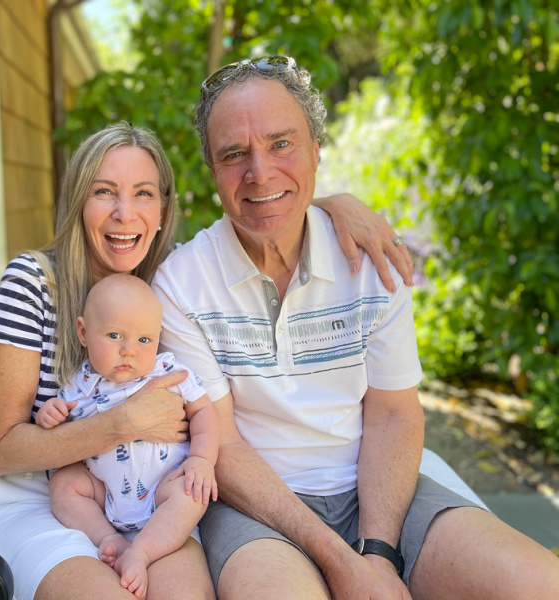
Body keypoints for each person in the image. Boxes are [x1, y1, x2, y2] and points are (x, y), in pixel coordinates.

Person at [151, 55, 559, 600]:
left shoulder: (370, 258)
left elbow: (393, 412)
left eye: (281, 143)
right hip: (257, 510)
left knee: (538, 583)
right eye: (234, 154)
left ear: (318, 149)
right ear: (212, 168)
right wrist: (342, 563)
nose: (260, 171)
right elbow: (222, 444)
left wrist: (379, 553)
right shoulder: (181, 284)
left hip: (381, 495)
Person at [0, 119, 415, 600]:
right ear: (78, 204)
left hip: (154, 497)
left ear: (162, 210)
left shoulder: (171, 280)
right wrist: (120, 424)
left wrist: (332, 204)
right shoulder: (33, 284)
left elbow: (259, 220)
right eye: (104, 193)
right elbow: (1, 449)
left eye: (143, 194)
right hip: (46, 497)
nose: (124, 213)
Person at [35, 274, 218, 600]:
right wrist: (50, 414)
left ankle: (143, 552)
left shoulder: (169, 372)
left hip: (163, 488)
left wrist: (203, 460)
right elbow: (64, 439)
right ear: (84, 333)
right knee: (63, 484)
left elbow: (204, 412)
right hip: (103, 494)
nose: (129, 351)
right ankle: (108, 538)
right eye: (115, 335)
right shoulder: (81, 384)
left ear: (158, 339)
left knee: (192, 493)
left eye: (143, 340)